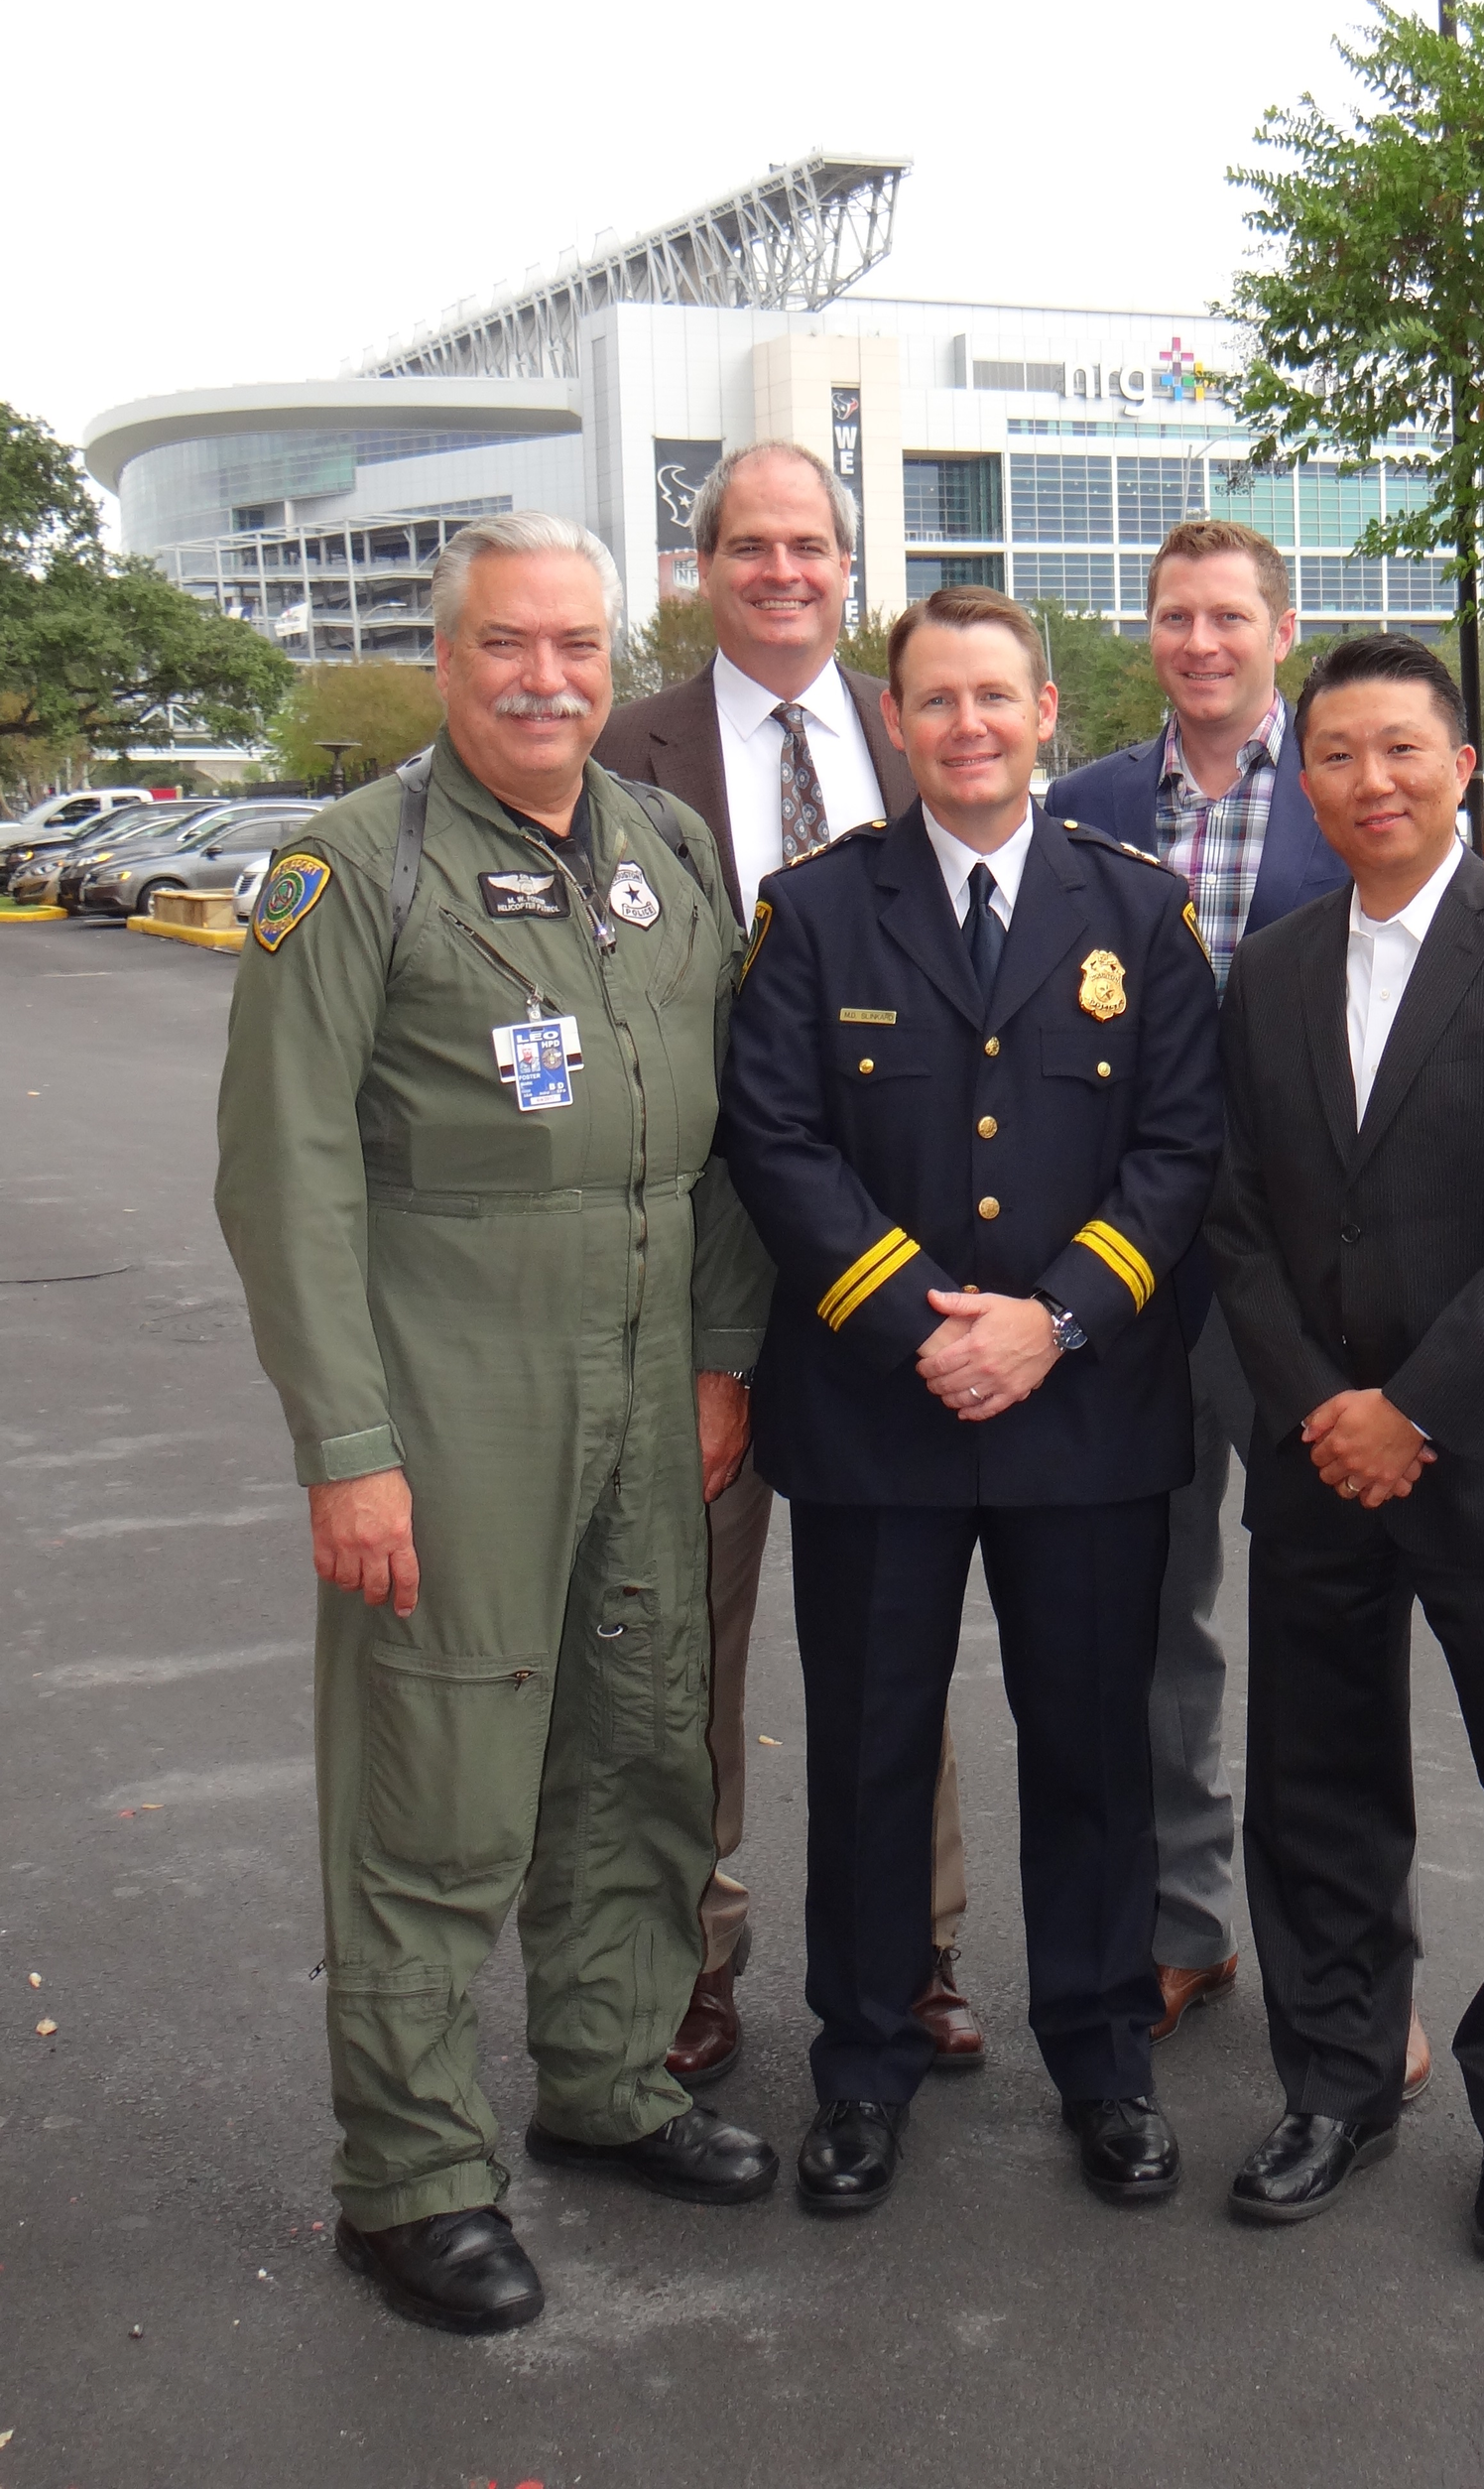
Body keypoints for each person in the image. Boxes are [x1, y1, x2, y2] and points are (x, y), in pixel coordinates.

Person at [215, 512, 779, 2337]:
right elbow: (285, 1180)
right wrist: (345, 1446)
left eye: (577, 647)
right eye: (507, 647)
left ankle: (612, 2081)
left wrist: (717, 1355)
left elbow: (730, 1140)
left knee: (638, 1746)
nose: (548, 680)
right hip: (452, 1397)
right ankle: (414, 2175)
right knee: (437, 1788)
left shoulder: (663, 848)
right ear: (446, 660)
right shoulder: (352, 870)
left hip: (646, 1373)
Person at [720, 584, 1223, 2212]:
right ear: (896, 721)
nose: (967, 727)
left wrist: (1053, 1323)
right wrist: (917, 1324)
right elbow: (777, 1141)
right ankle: (861, 2066)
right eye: (934, 701)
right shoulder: (815, 910)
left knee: (1087, 1750)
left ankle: (1100, 2056)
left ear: (1047, 712)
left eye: (995, 698)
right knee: (870, 1753)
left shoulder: (1137, 913)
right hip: (881, 1411)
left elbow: (1178, 1151)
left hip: (1084, 1412)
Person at [1205, 633, 1484, 2256]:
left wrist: (1418, 1409)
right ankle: (1334, 2084)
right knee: (1318, 1790)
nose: (1368, 781)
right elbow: (1233, 1215)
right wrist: (1326, 1402)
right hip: (1321, 1456)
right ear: (1301, 776)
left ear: (1462, 765)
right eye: (1336, 755)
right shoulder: (1271, 968)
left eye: (1400, 750)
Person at [594, 441, 981, 2081]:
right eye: (747, 544)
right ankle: (690, 1949)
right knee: (690, 1634)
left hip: (906, 1273)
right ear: (703, 571)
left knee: (905, 1629)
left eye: (809, 543)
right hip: (708, 1272)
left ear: (849, 564)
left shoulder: (930, 733)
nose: (781, 570)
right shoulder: (623, 752)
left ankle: (918, 1953)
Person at [1048, 521, 1429, 2103]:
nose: (1200, 641)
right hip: (1132, 1281)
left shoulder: (1345, 797)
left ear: (1281, 628)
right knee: (1153, 1630)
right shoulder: (1082, 812)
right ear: (1147, 637)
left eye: (1228, 615)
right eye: (1172, 616)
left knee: (1333, 1645)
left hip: (1301, 1291)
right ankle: (1183, 1926)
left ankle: (1356, 1975)